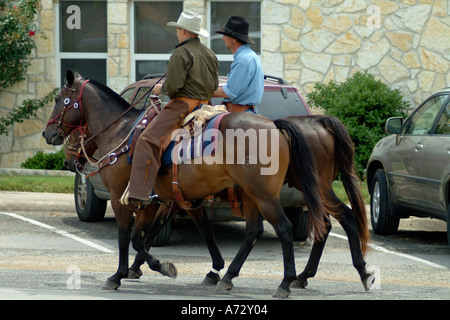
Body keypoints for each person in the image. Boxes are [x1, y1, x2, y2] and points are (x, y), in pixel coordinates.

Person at [120, 11, 219, 208]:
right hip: (206, 105)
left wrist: (160, 88)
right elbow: (214, 83)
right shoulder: (210, 54)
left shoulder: (181, 53)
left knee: (147, 140)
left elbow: (173, 86)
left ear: (182, 30)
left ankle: (139, 194)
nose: (177, 33)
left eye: (178, 29)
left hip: (182, 106)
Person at [213, 16, 264, 113]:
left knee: (201, 126)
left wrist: (205, 92)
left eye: (225, 35)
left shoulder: (243, 60)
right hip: (246, 113)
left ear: (234, 39)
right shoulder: (251, 56)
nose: (223, 38)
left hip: (238, 115)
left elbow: (230, 92)